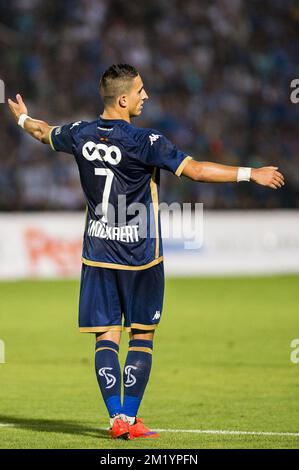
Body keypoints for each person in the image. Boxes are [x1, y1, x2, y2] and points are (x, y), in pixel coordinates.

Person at [8, 63, 284, 440]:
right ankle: (130, 417)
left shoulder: (79, 133)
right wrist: (249, 174)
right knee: (142, 335)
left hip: (98, 252)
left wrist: (22, 119)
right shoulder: (146, 142)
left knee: (105, 337)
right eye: (140, 91)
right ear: (123, 99)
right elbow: (197, 171)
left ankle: (115, 419)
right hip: (141, 256)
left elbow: (43, 132)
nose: (146, 96)